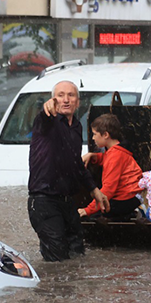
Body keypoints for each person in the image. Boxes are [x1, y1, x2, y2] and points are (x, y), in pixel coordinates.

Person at [28, 80, 109, 261]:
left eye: (70, 95)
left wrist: (95, 190)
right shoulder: (46, 122)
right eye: (60, 96)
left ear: (77, 102)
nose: (65, 100)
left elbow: (76, 164)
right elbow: (45, 116)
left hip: (67, 202)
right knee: (57, 261)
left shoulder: (77, 128)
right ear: (53, 100)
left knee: (77, 255)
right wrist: (47, 108)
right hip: (43, 201)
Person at [77, 113, 143, 221]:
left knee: (93, 218)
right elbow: (107, 158)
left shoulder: (115, 156)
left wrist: (87, 210)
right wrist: (94, 156)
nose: (93, 138)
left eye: (94, 134)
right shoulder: (116, 151)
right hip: (132, 197)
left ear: (106, 135)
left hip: (126, 200)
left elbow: (108, 190)